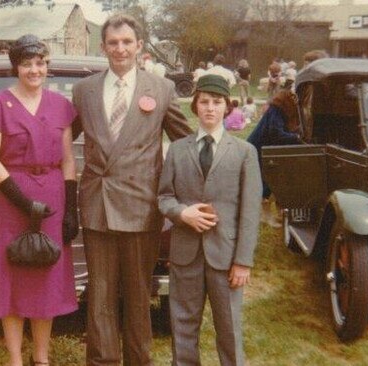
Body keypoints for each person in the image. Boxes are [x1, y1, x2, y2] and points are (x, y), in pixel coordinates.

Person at [71, 14, 192, 366]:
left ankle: (139, 360)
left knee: (139, 296)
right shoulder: (84, 91)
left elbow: (184, 142)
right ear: (103, 47)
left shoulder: (162, 89)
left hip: (141, 207)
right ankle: (102, 361)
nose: (120, 49)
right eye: (113, 43)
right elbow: (60, 138)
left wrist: (191, 190)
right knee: (101, 296)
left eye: (127, 42)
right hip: (97, 205)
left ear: (139, 46)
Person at [0, 34, 78, 366]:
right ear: (16, 67)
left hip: (51, 197)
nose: (34, 70)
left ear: (47, 66)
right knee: (10, 276)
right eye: (26, 63)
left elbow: (67, 159)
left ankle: (42, 357)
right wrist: (22, 203)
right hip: (9, 199)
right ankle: (15, 359)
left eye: (40, 63)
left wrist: (71, 209)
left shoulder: (61, 106)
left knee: (44, 277)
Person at [158, 74, 262, 366]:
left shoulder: (244, 153)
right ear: (195, 106)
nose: (210, 108)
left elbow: (250, 211)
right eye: (204, 101)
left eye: (217, 102)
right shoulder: (178, 149)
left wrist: (243, 261)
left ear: (227, 107)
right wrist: (182, 213)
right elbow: (163, 197)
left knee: (228, 329)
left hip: (226, 257)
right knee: (183, 327)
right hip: (185, 254)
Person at [247, 89, 302, 228]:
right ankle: (264, 217)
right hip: (259, 148)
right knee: (267, 180)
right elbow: (276, 133)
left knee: (272, 179)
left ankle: (275, 214)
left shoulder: (279, 109)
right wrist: (296, 138)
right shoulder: (276, 109)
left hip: (266, 147)